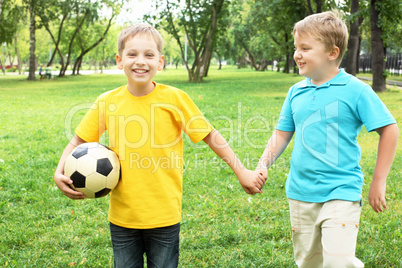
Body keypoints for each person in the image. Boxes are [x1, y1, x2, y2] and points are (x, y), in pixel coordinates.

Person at [54, 24, 265, 268]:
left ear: (161, 62)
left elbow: (210, 135)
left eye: (149, 55)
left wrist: (241, 171)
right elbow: (79, 140)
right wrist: (59, 172)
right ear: (119, 60)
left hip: (164, 216)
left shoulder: (175, 99)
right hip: (123, 218)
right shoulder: (107, 102)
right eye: (132, 54)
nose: (140, 61)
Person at [255, 11, 398, 268]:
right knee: (309, 262)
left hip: (341, 189)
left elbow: (389, 129)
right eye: (296, 47)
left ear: (332, 53)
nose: (297, 54)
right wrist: (263, 163)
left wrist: (379, 181)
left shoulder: (356, 90)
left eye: (305, 48)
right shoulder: (295, 92)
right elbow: (282, 132)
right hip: (300, 192)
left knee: (338, 261)